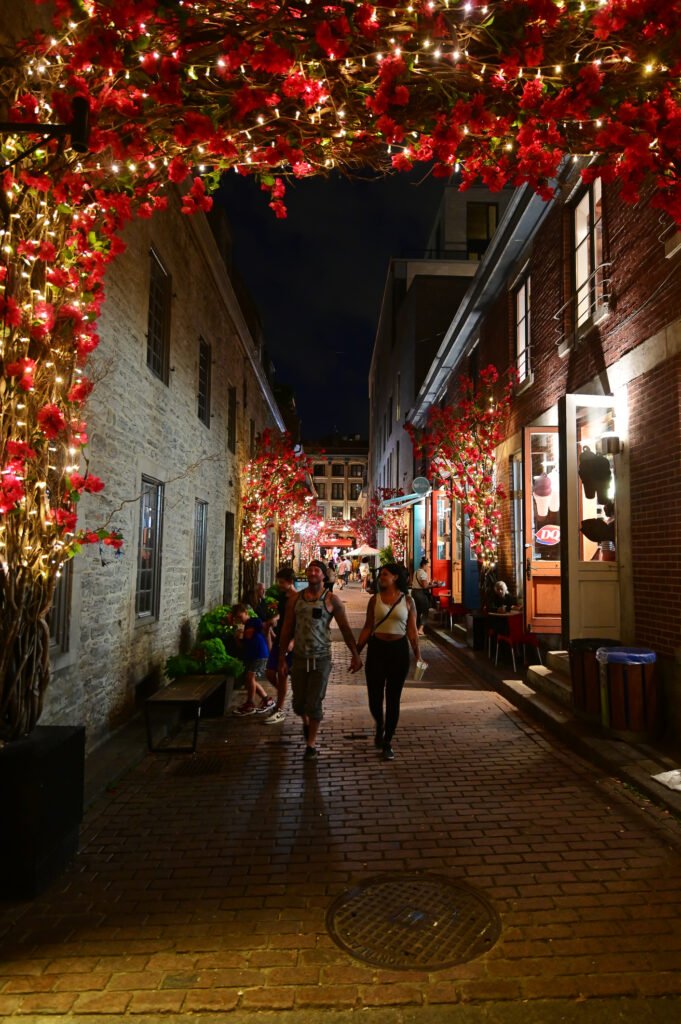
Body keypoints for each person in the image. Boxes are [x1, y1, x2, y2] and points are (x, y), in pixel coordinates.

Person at [278, 559, 362, 762]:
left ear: (324, 575)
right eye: (310, 569)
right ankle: (307, 722)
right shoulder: (295, 600)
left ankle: (311, 744)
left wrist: (355, 654)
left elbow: (345, 628)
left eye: (317, 570)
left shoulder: (332, 600)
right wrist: (281, 657)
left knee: (314, 701)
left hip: (321, 658)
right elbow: (287, 628)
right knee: (299, 703)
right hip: (299, 656)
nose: (312, 572)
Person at [357, 563, 421, 761]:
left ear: (394, 577)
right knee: (375, 699)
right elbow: (368, 627)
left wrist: (417, 654)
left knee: (393, 698)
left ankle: (388, 741)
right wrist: (356, 652)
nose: (381, 577)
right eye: (381, 575)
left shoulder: (408, 601)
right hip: (377, 650)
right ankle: (380, 723)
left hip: (398, 651)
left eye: (384, 574)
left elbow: (412, 631)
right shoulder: (374, 600)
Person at [262, 567, 297, 724]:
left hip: (289, 641)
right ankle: (283, 695)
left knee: (282, 674)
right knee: (270, 672)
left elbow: (301, 622)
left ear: (290, 582)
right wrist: (274, 619)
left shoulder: (297, 598)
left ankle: (280, 708)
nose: (279, 585)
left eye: (282, 582)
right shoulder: (284, 597)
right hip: (280, 639)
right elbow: (284, 616)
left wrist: (293, 641)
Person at [231, 604, 276, 716]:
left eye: (240, 616)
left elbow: (262, 625)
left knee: (250, 677)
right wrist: (237, 639)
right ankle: (267, 700)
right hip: (252, 656)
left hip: (260, 654)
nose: (239, 620)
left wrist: (247, 632)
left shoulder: (253, 621)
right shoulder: (243, 627)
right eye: (237, 618)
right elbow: (243, 646)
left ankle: (250, 703)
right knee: (250, 681)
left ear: (246, 613)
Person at [411, 557, 431, 635]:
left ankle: (415, 628)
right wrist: (435, 585)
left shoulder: (416, 572)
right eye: (427, 566)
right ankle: (421, 629)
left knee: (417, 611)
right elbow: (425, 586)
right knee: (425, 611)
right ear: (424, 565)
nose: (428, 567)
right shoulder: (423, 573)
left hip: (414, 592)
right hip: (420, 593)